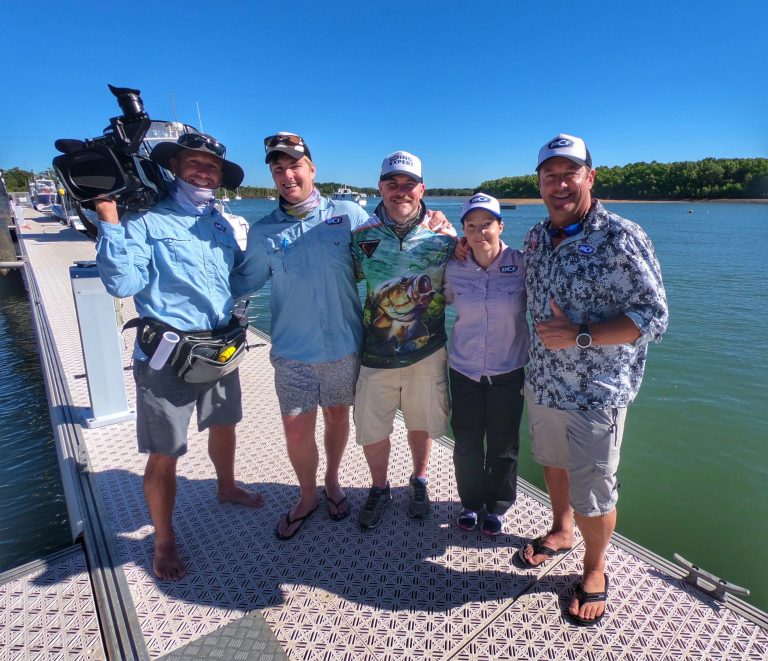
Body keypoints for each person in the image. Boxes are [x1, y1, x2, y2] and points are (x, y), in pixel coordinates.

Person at [95, 132, 264, 581]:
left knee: (225, 423)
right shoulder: (145, 221)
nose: (203, 172)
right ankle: (165, 538)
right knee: (164, 451)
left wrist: (276, 255)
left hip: (219, 346)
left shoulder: (221, 223)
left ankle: (226, 486)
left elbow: (238, 282)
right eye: (194, 163)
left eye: (211, 167)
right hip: (167, 355)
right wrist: (109, 218)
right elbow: (122, 285)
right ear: (176, 166)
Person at [517, 134, 668, 626]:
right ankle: (561, 530)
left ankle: (596, 567)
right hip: (543, 382)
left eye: (570, 173)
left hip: (597, 394)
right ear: (538, 182)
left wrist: (580, 336)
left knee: (597, 488)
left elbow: (654, 316)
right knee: (553, 465)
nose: (560, 184)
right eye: (550, 175)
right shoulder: (537, 236)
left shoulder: (621, 236)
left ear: (590, 176)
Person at [231, 132, 370, 540]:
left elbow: (388, 255)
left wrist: (436, 226)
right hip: (292, 351)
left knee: (337, 417)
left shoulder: (348, 216)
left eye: (294, 165)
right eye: (278, 168)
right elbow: (242, 282)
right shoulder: (262, 233)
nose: (287, 174)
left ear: (312, 168)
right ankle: (307, 495)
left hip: (345, 345)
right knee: (295, 427)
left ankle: (332, 481)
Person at [351, 151, 456, 529]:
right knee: (372, 428)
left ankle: (420, 480)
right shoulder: (360, 237)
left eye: (408, 184)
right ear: (380, 187)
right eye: (392, 184)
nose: (400, 192)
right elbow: (345, 282)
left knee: (422, 422)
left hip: (427, 352)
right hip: (374, 353)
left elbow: (467, 284)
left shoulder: (444, 237)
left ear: (421, 189)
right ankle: (379, 488)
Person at [444, 193, 529, 536]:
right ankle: (470, 502)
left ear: (500, 225)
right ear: (463, 230)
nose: (481, 233)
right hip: (463, 369)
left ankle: (497, 505)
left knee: (503, 443)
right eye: (472, 226)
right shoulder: (452, 267)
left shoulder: (521, 263)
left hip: (508, 370)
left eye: (487, 225)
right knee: (465, 442)